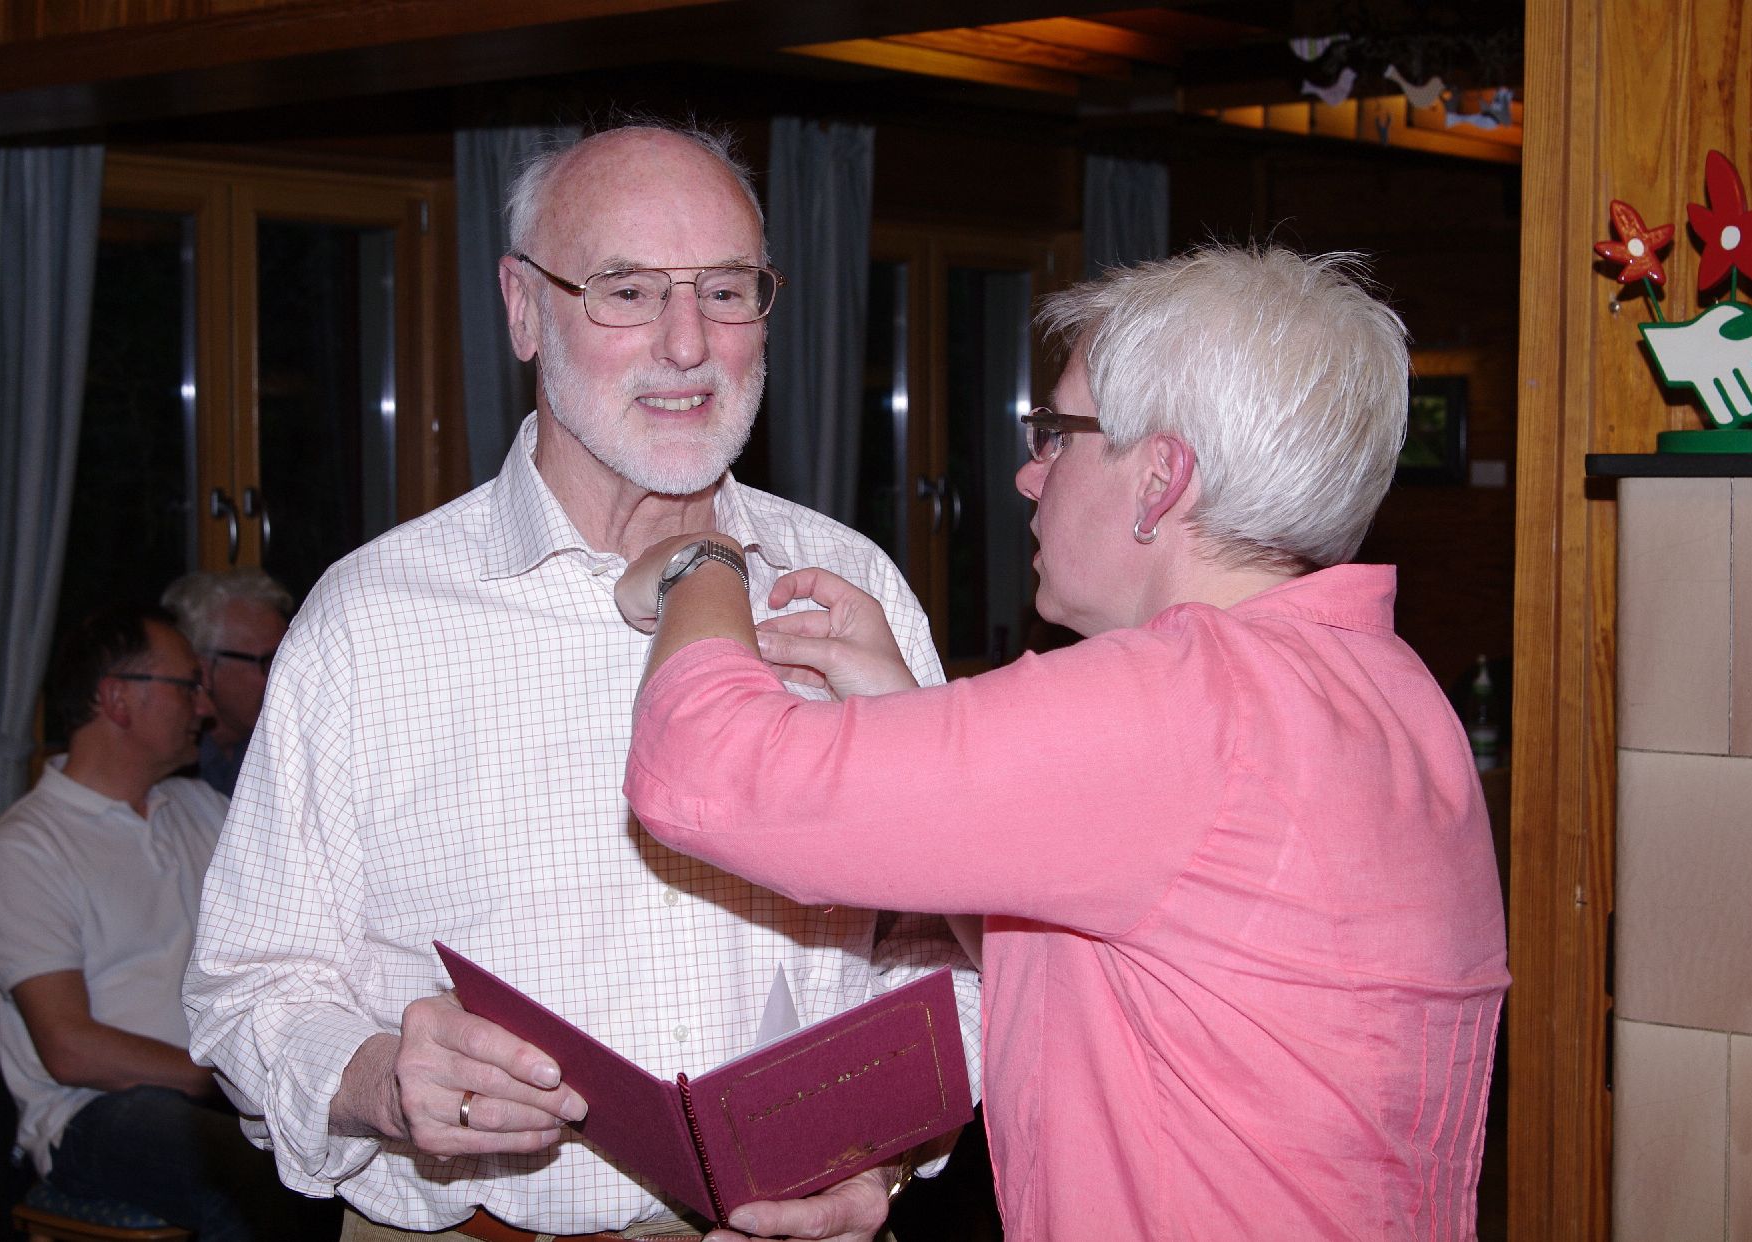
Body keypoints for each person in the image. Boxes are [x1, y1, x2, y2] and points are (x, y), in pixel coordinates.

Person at [183, 123, 978, 1242]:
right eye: (627, 292)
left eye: (725, 291)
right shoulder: (371, 623)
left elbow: (956, 950)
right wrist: (377, 1078)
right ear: (523, 308)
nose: (687, 345)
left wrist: (884, 1161)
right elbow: (247, 990)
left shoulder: (853, 589)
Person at [618, 246, 1512, 1240]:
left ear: (1160, 480)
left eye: (1058, 435)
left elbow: (702, 771)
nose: (1028, 472)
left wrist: (703, 563)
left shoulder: (1180, 706)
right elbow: (1085, 974)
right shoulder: (1387, 688)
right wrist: (898, 702)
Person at [0, 604, 336, 1241]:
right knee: (261, 1177)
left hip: (214, 1093)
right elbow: (70, 1048)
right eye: (188, 686)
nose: (205, 707)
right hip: (97, 1111)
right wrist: (232, 1075)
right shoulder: (26, 848)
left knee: (349, 1149)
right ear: (117, 700)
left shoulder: (200, 808)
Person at [160, 567, 293, 796]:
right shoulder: (167, 766)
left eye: (286, 659)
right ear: (204, 670)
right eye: (268, 661)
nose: (284, 676)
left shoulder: (281, 750)